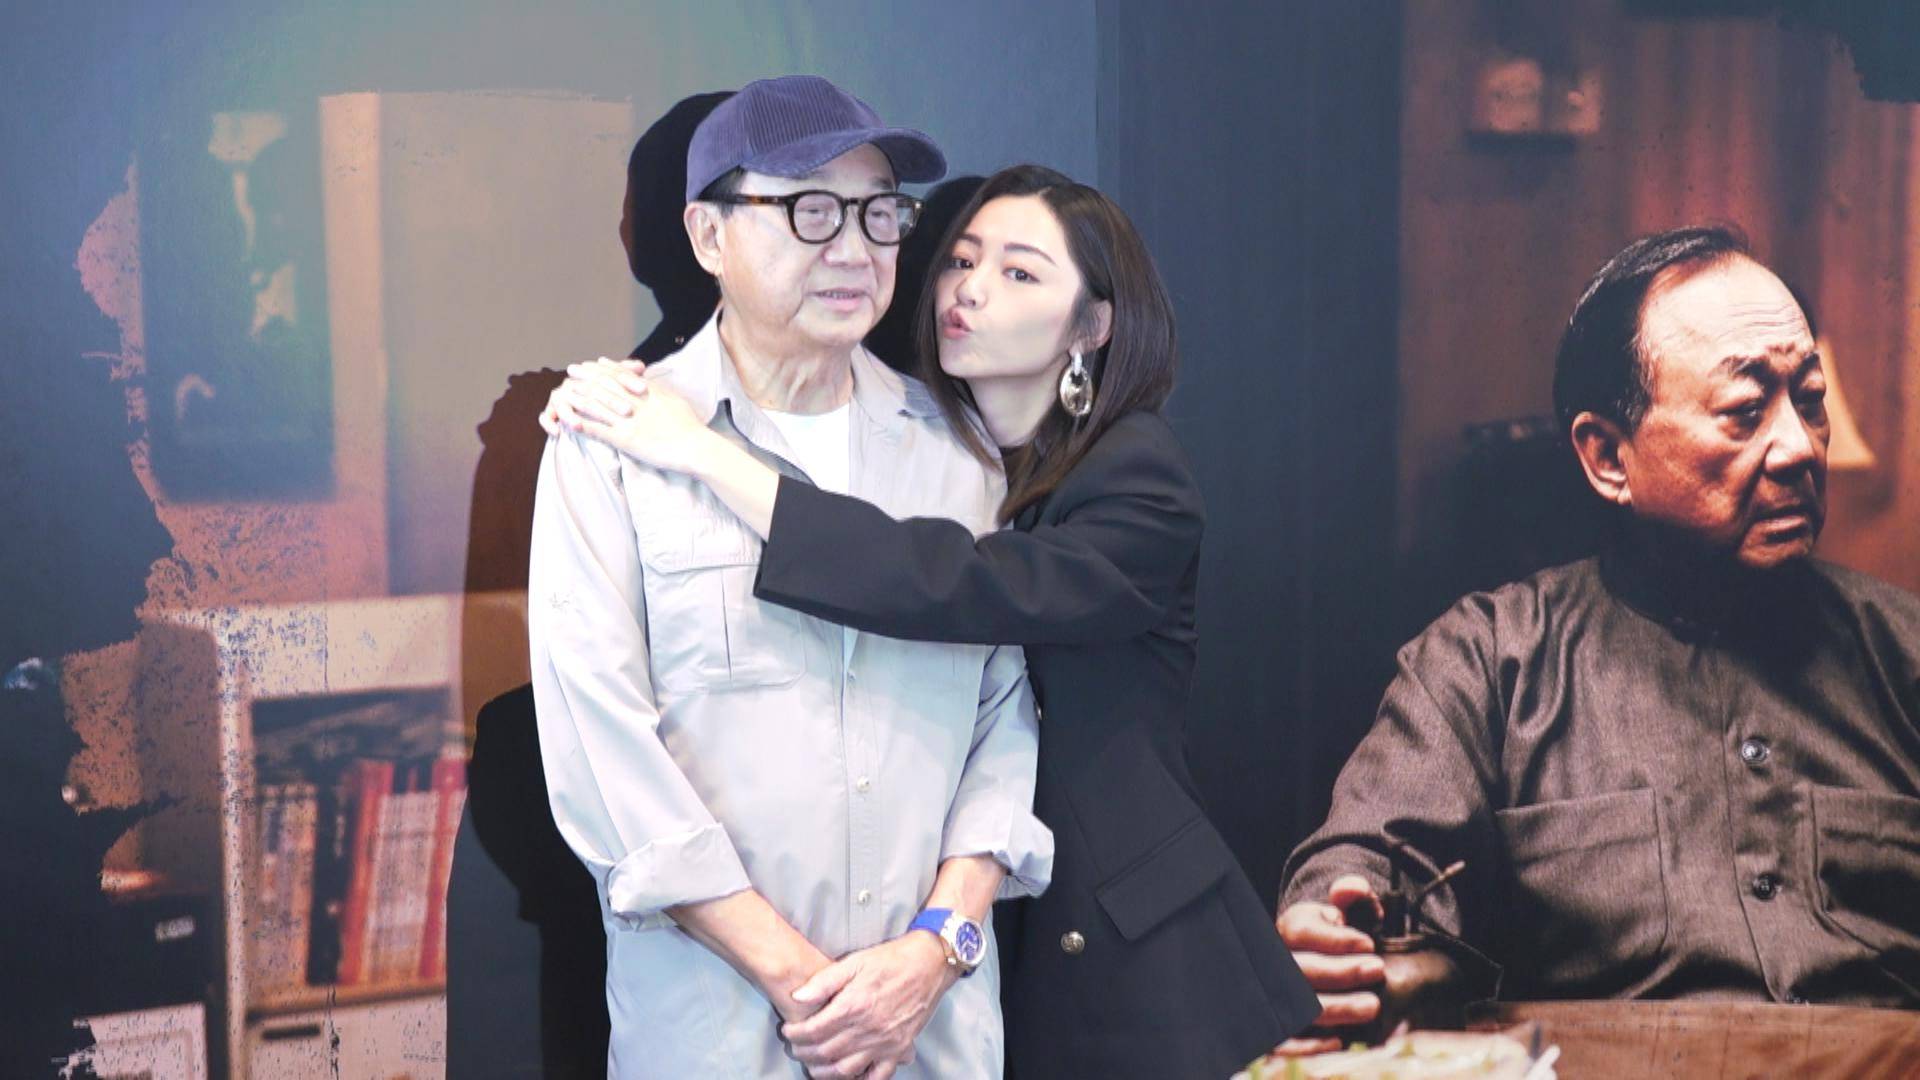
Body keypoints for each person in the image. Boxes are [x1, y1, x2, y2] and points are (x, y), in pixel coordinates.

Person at [542, 163, 1321, 1078]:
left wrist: (704, 454)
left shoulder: (1139, 476)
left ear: (1092, 327)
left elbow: (956, 588)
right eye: (960, 260)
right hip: (981, 952)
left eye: (1020, 273)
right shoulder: (955, 453)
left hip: (1124, 947)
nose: (970, 290)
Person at [1274, 226, 1920, 1053]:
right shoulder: (1489, 665)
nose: (1798, 446)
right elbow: (1368, 868)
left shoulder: (1902, 655)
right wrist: (1333, 932)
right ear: (1609, 457)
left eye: (1811, 399)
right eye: (1745, 411)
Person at [528, 76, 1053, 1080]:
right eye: (811, 210)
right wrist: (811, 990)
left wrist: (932, 953)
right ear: (708, 235)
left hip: (933, 1037)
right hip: (720, 1040)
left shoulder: (960, 453)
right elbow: (604, 761)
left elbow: (1006, 717)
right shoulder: (611, 444)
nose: (853, 248)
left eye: (879, 212)